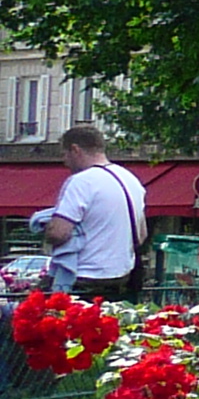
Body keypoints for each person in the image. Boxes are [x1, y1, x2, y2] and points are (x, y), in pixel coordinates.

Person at [30, 124, 147, 300]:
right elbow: (142, 234)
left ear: (75, 149)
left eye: (65, 154)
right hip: (121, 277)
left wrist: (46, 225)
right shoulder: (131, 180)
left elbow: (59, 233)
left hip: (85, 279)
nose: (65, 162)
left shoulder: (81, 182)